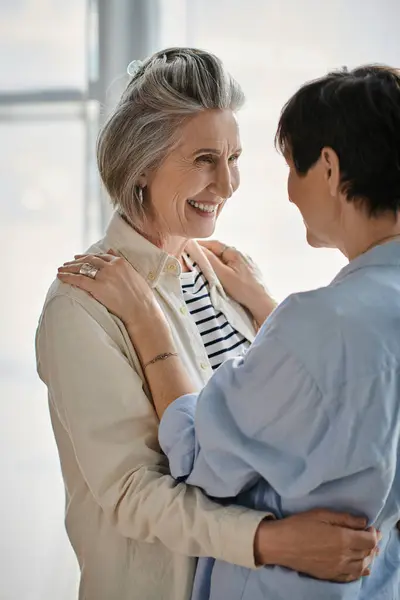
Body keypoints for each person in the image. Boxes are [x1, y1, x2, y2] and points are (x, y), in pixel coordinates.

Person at [37, 48, 378, 600]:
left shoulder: (229, 275)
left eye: (234, 157)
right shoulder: (79, 308)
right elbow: (131, 494)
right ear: (141, 163)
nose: (228, 181)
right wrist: (274, 541)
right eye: (203, 159)